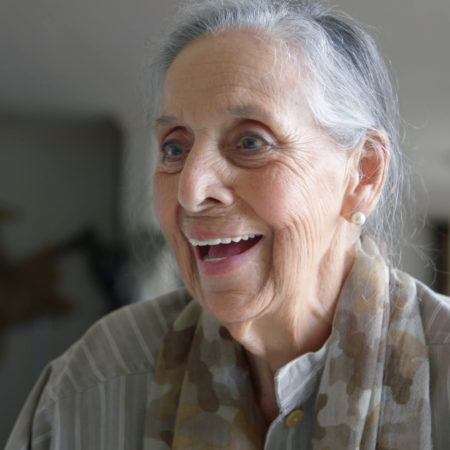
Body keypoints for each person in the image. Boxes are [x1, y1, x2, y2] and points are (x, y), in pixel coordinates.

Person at [6, 0, 450, 449]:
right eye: (174, 148)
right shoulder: (93, 381)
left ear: (364, 174)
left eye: (251, 142)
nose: (191, 190)